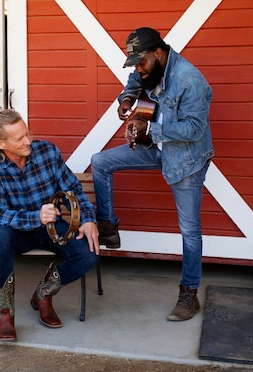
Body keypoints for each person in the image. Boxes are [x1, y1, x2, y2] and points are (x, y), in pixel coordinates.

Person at [91, 27, 214, 321]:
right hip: (154, 145)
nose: (137, 68)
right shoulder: (148, 69)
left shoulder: (191, 81)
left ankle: (189, 294)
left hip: (185, 159)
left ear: (158, 54)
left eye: (141, 62)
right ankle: (108, 226)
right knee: (99, 161)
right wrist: (126, 98)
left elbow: (194, 130)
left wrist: (151, 129)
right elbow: (135, 81)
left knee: (189, 230)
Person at [0, 109, 100, 341]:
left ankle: (42, 295)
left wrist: (87, 219)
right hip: (17, 232)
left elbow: (72, 190)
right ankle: (5, 314)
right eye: (19, 138)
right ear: (0, 143)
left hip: (50, 227)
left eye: (27, 133)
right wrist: (35, 217)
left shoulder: (47, 151)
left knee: (88, 254)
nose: (28, 141)